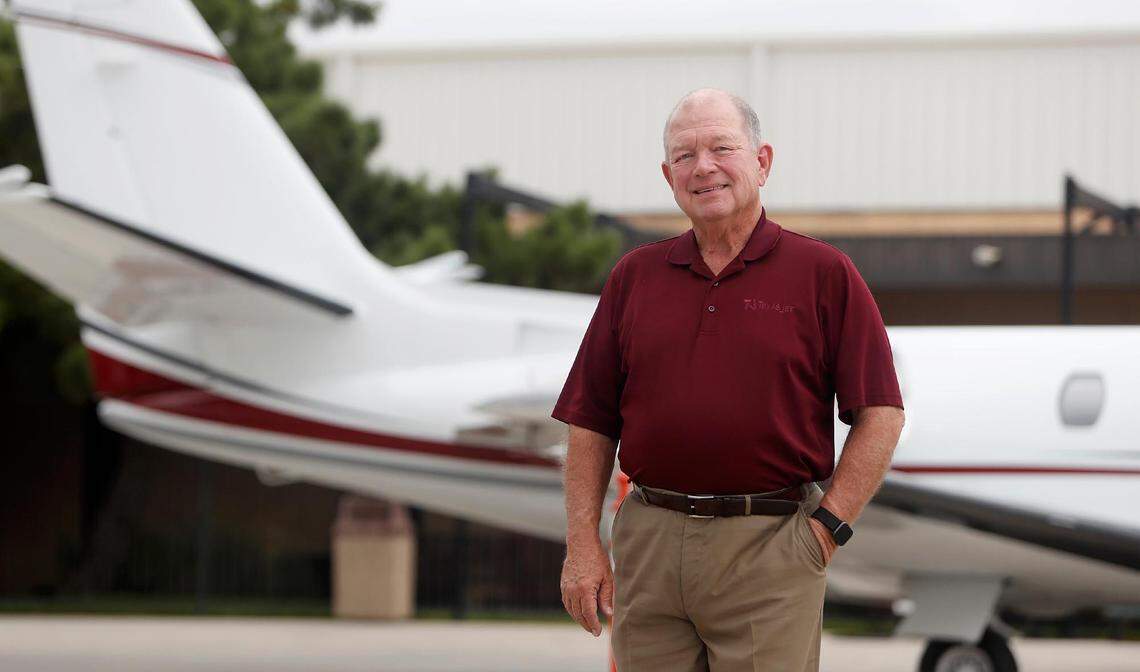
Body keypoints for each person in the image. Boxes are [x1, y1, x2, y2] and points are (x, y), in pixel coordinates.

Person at [552, 88, 906, 672]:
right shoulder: (634, 277)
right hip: (649, 543)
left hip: (772, 545)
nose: (704, 167)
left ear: (762, 162)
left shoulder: (823, 274)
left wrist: (825, 531)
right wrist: (582, 543)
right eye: (685, 155)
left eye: (722, 148)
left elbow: (882, 414)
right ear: (669, 176)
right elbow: (590, 420)